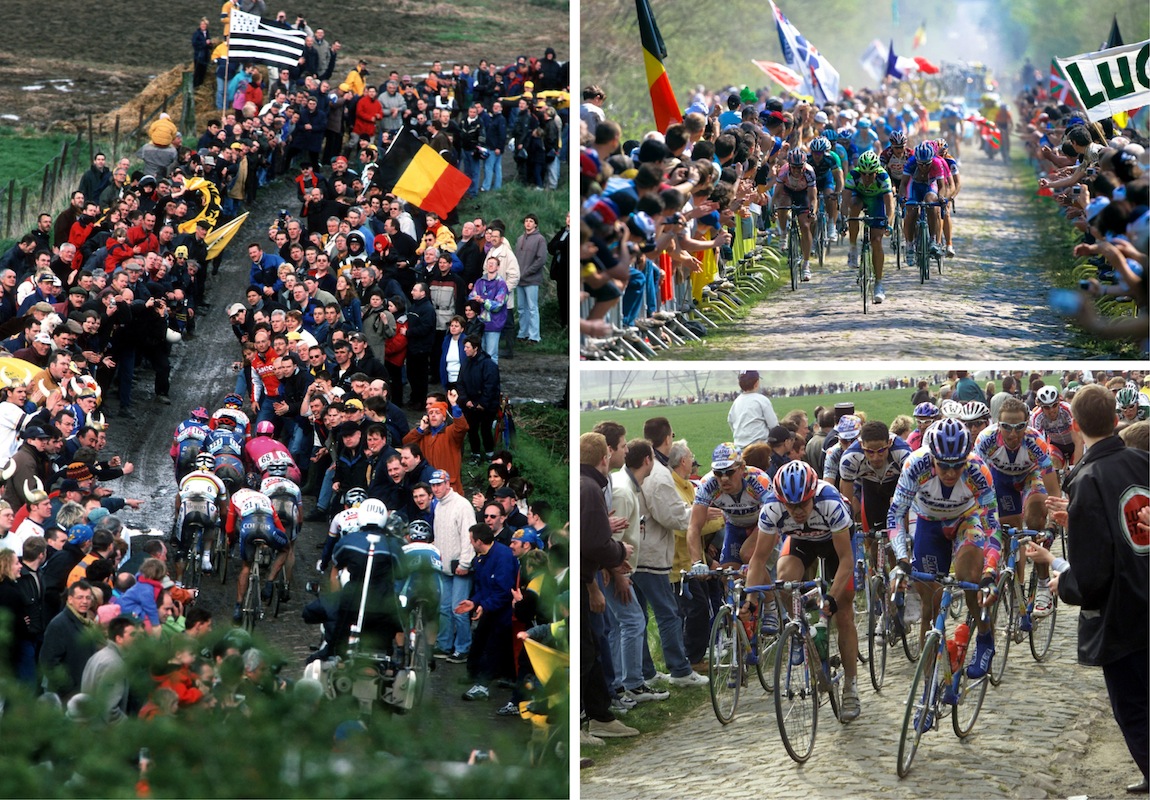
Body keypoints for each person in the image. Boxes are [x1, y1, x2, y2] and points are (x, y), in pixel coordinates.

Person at [1046, 383, 1149, 793]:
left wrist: (1063, 582)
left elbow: (1091, 571)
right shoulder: (1142, 460)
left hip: (1123, 609)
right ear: (1116, 419)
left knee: (1134, 708)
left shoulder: (1086, 477)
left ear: (1074, 425)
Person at [744, 460, 861, 720]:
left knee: (842, 612)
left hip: (835, 545)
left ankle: (851, 686)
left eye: (803, 504)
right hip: (800, 542)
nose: (796, 511)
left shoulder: (831, 502)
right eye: (791, 505)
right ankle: (803, 630)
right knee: (784, 581)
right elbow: (758, 560)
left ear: (812, 495)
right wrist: (751, 598)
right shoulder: (772, 507)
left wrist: (832, 597)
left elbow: (846, 561)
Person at [887, 419, 1001, 685]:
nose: (951, 473)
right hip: (928, 522)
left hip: (966, 521)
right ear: (932, 457)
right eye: (944, 466)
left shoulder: (977, 470)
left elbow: (992, 524)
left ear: (966, 458)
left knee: (969, 579)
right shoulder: (916, 465)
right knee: (930, 606)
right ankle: (929, 685)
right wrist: (902, 559)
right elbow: (896, 514)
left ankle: (984, 635)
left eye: (957, 465)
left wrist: (989, 571)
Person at [456, 523, 517, 701]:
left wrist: (485, 605)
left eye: (471, 540)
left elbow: (503, 589)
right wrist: (474, 601)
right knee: (479, 640)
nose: (470, 544)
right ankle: (473, 673)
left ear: (479, 541)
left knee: (493, 646)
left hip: (502, 612)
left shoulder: (502, 557)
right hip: (490, 608)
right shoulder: (481, 557)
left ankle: (483, 685)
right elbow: (483, 586)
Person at [225, 488, 289, 623]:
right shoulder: (265, 499)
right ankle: (270, 583)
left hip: (248, 529)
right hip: (268, 528)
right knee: (285, 549)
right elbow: (281, 530)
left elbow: (229, 528)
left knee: (246, 567)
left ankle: (238, 607)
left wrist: (231, 541)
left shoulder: (235, 497)